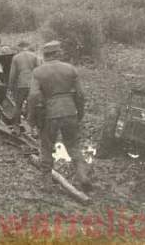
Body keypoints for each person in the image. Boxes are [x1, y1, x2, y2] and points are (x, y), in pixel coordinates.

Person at [27, 41, 89, 192]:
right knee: (74, 145)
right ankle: (83, 177)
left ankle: (47, 184)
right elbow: (81, 94)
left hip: (50, 113)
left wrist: (31, 118)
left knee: (47, 147)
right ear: (56, 54)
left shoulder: (38, 72)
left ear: (46, 55)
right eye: (59, 52)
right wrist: (79, 112)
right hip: (70, 111)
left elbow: (33, 96)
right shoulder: (70, 69)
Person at [8, 40, 39, 132]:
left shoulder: (16, 57)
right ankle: (33, 128)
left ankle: (16, 126)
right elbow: (38, 70)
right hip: (33, 84)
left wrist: (10, 86)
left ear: (19, 47)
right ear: (27, 46)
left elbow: (12, 74)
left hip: (21, 84)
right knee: (32, 105)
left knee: (18, 105)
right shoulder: (34, 56)